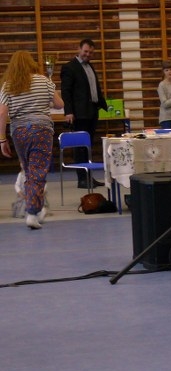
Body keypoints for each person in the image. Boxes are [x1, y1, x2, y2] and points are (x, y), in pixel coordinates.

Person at [0, 51, 64, 229]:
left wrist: (2, 139)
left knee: (29, 172)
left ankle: (38, 208)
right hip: (41, 129)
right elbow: (60, 104)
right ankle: (32, 212)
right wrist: (47, 98)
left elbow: (2, 113)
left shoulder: (8, 85)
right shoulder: (44, 81)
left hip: (19, 132)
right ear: (31, 63)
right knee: (38, 172)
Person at [60, 38, 107, 188]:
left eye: (91, 52)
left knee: (88, 146)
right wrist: (68, 112)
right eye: (85, 51)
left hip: (91, 111)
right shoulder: (69, 67)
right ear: (79, 49)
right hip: (79, 113)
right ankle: (82, 178)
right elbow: (66, 92)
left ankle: (89, 176)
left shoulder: (90, 66)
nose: (88, 54)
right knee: (80, 147)